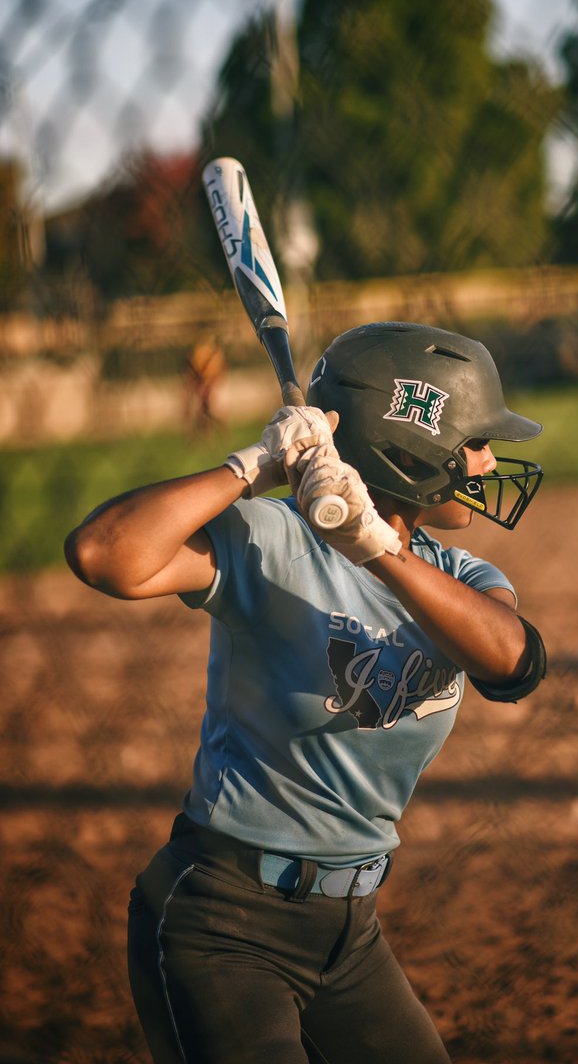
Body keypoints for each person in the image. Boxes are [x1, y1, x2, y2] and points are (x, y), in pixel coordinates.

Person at [64, 321, 547, 1064]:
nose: (488, 459)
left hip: (349, 935)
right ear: (411, 448)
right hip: (223, 923)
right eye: (475, 440)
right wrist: (253, 464)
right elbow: (103, 557)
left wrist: (377, 550)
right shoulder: (269, 539)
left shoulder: (461, 574)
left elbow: (513, 662)